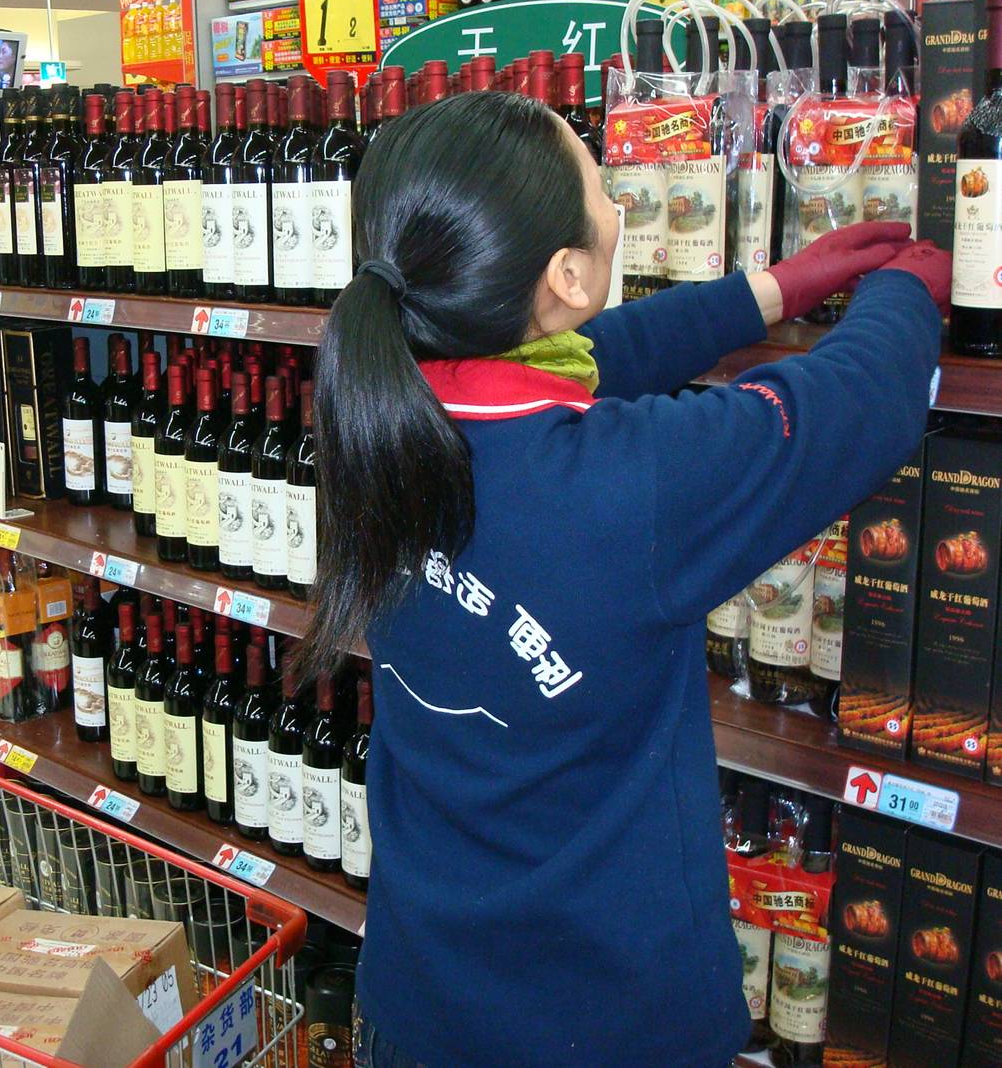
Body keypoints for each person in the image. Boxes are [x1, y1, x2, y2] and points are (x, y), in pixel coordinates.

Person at [300, 91, 951, 1066]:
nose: (616, 200)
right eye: (601, 184)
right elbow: (848, 405)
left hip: (414, 995)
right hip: (601, 1024)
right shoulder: (620, 484)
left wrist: (767, 291)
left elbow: (595, 356)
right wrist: (912, 287)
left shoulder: (379, 419)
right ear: (564, 271)